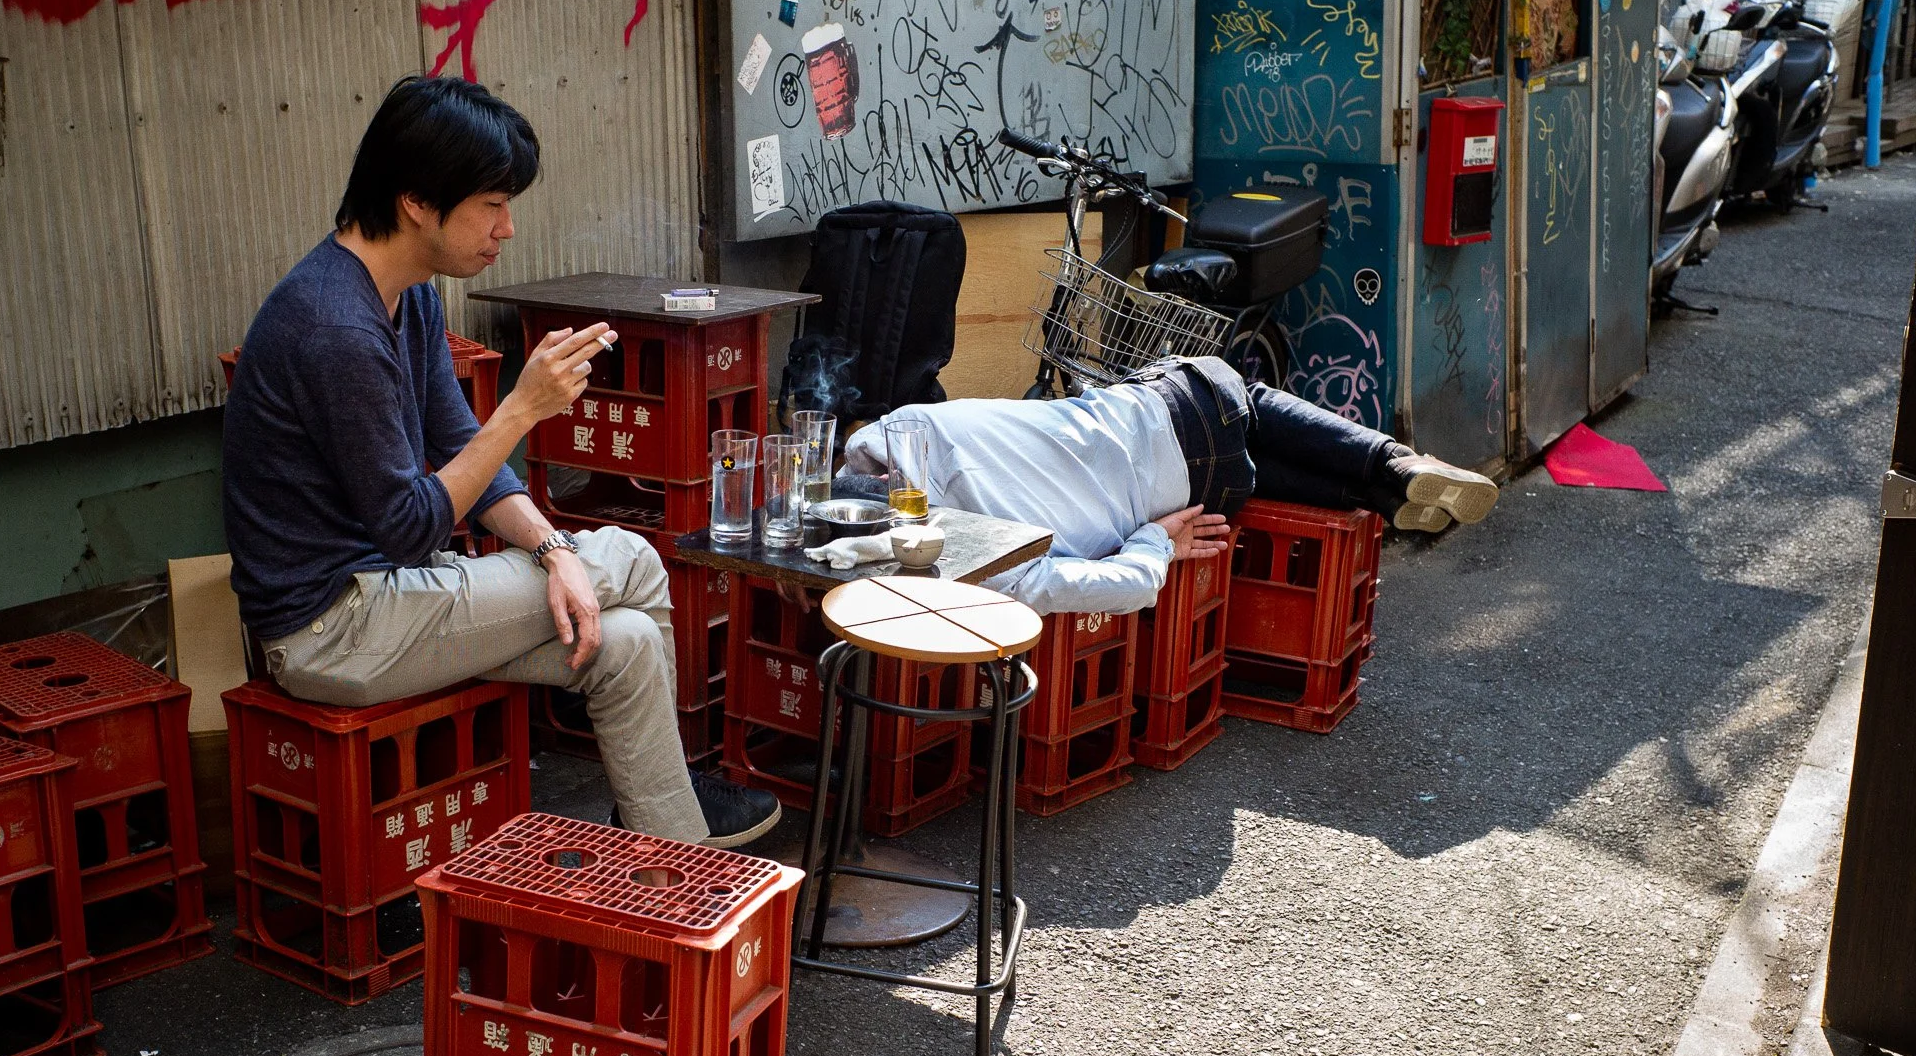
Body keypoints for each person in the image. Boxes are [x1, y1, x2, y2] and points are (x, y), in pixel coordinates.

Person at [221, 75, 781, 848]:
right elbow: (411, 526)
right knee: (631, 557)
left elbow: (461, 447)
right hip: (332, 627)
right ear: (418, 200)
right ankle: (678, 834)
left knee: (626, 645)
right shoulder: (334, 328)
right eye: (491, 203)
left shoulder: (405, 292)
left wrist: (553, 551)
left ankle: (665, 857)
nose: (506, 227)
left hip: (389, 598)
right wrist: (521, 408)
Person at [841, 356, 1498, 615]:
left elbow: (1124, 588)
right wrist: (1155, 540)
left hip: (1184, 490)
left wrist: (1152, 539)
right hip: (1164, 413)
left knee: (1243, 470)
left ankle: (1384, 497)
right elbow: (858, 449)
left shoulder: (981, 571)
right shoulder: (913, 426)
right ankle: (1395, 469)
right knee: (1245, 397)